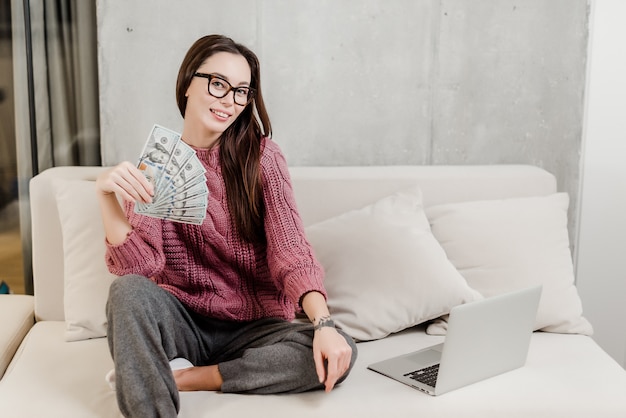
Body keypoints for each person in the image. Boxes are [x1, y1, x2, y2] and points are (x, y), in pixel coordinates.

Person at [96, 34, 357, 417]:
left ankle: (190, 378)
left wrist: (324, 325)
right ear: (188, 84)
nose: (228, 101)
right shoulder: (157, 165)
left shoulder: (262, 157)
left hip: (256, 327)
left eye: (241, 91)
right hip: (184, 319)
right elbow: (138, 269)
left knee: (339, 351)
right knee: (126, 292)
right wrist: (105, 196)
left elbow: (292, 253)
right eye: (217, 84)